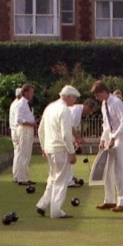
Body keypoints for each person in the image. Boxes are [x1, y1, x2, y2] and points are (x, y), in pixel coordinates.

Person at [36, 85, 79, 218]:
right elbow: (66, 135)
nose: (75, 101)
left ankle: (42, 204)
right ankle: (56, 211)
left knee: (53, 178)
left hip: (49, 148)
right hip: (60, 149)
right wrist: (71, 152)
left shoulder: (50, 107)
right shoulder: (64, 110)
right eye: (74, 98)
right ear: (68, 96)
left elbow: (40, 130)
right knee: (61, 180)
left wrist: (43, 147)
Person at [92, 80, 123, 212]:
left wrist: (114, 137)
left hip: (121, 138)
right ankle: (109, 200)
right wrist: (103, 139)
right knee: (107, 169)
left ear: (103, 91)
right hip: (110, 137)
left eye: (97, 95)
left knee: (119, 169)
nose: (97, 98)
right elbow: (106, 124)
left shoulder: (116, 102)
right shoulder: (104, 104)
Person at [10, 84, 37, 186]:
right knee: (23, 154)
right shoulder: (21, 104)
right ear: (25, 93)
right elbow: (19, 119)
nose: (32, 94)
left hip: (27, 129)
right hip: (24, 130)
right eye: (31, 92)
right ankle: (22, 178)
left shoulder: (25, 104)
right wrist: (32, 123)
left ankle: (23, 176)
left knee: (26, 154)